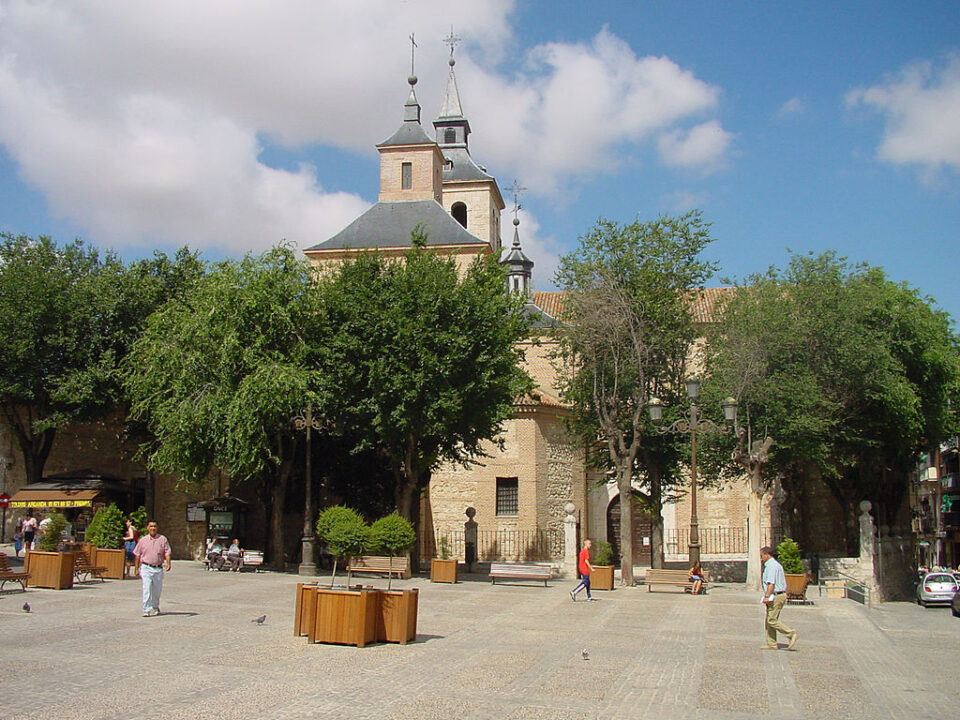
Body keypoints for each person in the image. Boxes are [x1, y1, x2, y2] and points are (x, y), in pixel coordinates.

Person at [760, 546, 798, 650]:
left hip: (776, 595)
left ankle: (790, 633)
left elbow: (771, 583)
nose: (761, 557)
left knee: (771, 620)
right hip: (777, 595)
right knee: (769, 620)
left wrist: (766, 596)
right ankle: (772, 643)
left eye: (762, 555)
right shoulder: (773, 565)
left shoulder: (772, 566)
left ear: (767, 555)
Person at [134, 520, 172, 617]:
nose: (153, 528)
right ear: (147, 528)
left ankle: (155, 606)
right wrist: (136, 568)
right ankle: (146, 609)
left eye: (154, 526)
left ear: (157, 528)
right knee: (147, 588)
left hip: (158, 568)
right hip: (146, 567)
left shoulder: (162, 539)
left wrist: (168, 563)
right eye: (151, 526)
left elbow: (167, 552)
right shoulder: (143, 540)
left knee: (157, 590)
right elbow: (137, 554)